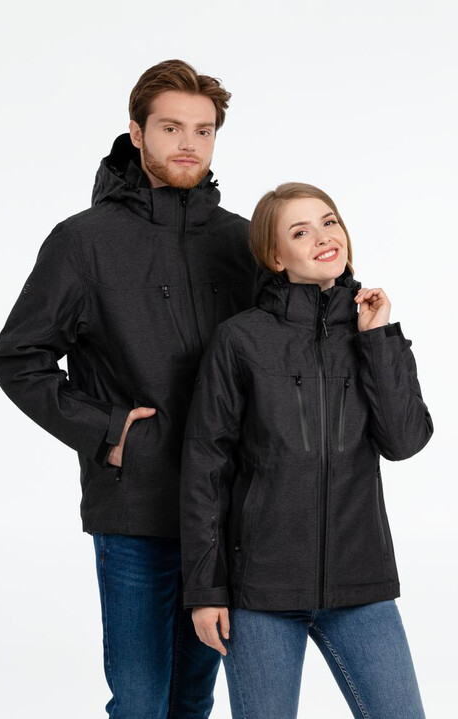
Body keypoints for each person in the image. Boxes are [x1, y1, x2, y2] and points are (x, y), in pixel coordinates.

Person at [0, 59, 256, 719]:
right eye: (170, 127)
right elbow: (18, 357)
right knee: (139, 703)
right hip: (136, 505)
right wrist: (110, 432)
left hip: (228, 510)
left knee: (192, 698)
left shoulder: (242, 241)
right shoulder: (84, 241)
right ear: (136, 133)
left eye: (203, 130)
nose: (188, 143)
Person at [180, 182, 433, 718]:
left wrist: (377, 339)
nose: (323, 237)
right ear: (275, 257)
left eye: (329, 222)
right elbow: (205, 469)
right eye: (300, 232)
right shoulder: (241, 340)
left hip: (360, 583)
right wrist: (206, 590)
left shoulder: (373, 336)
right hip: (260, 593)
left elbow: (405, 442)